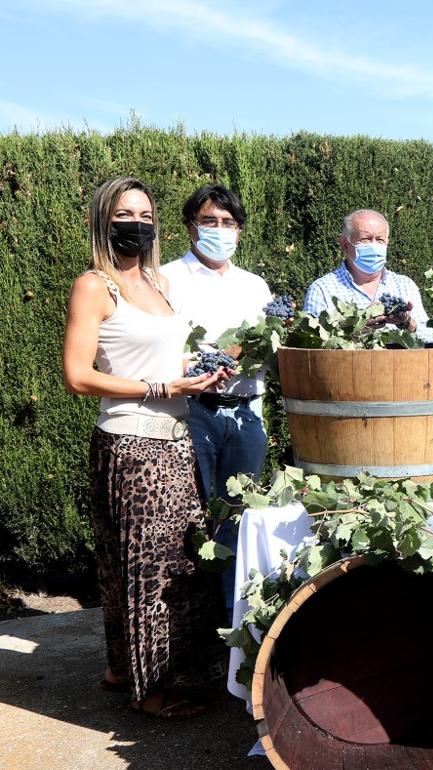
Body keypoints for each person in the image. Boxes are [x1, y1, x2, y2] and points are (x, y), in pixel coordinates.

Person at [62, 177, 230, 719]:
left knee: (162, 567)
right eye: (124, 213)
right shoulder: (95, 286)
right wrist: (161, 388)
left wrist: (198, 376)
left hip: (175, 441)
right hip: (131, 446)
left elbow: (164, 362)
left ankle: (119, 669)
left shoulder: (158, 284)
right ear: (103, 221)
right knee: (145, 575)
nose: (137, 222)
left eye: (144, 213)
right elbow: (77, 376)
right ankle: (151, 690)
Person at [160, 185, 270, 606]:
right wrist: (215, 362)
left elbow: (268, 347)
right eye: (210, 221)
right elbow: (164, 351)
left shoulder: (256, 286)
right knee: (190, 518)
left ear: (239, 231)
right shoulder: (167, 279)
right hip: (193, 413)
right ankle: (188, 616)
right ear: (191, 227)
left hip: (246, 415)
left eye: (228, 223)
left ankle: (231, 617)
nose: (219, 230)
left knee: (239, 519)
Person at [303, 208, 433, 341]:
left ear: (387, 243)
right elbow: (310, 343)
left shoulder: (405, 285)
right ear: (345, 244)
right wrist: (357, 328)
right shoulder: (323, 290)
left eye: (380, 240)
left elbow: (432, 338)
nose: (374, 246)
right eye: (365, 239)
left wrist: (407, 323)